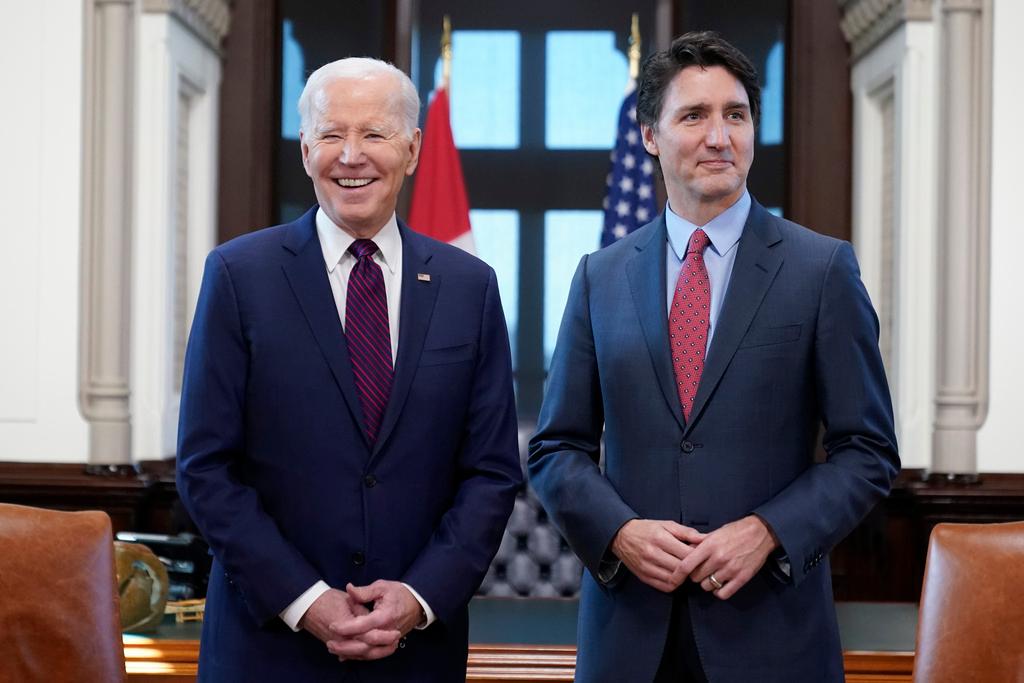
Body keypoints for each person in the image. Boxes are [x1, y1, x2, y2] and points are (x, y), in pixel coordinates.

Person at [528, 31, 899, 683]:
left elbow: (867, 450)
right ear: (649, 135)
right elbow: (557, 448)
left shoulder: (821, 269)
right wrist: (619, 532)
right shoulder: (599, 276)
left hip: (771, 635)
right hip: (629, 641)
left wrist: (769, 529)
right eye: (694, 116)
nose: (719, 136)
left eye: (736, 114)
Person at [176, 57, 521, 682]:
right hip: (268, 651)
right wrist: (306, 601)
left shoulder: (470, 287)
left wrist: (417, 599)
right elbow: (206, 467)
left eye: (375, 134)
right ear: (307, 149)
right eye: (332, 134)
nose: (351, 156)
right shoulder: (238, 275)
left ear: (412, 150)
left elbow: (492, 473)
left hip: (417, 653)